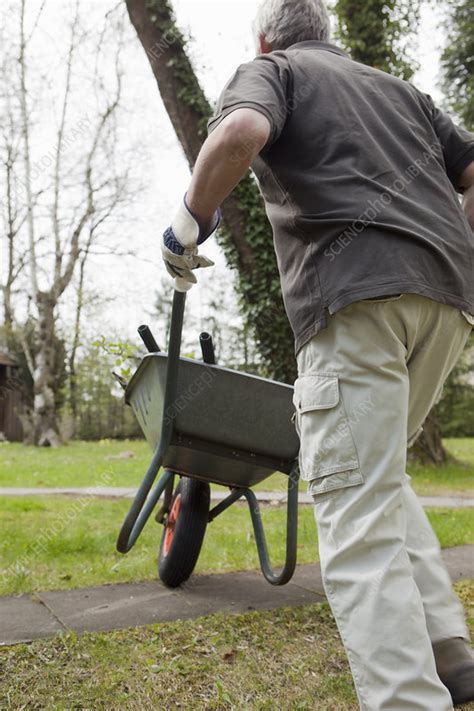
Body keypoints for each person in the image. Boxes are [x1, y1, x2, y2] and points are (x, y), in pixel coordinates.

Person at [161, 0, 474, 707]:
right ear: (327, 33)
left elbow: (240, 129)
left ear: (269, 37)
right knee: (378, 478)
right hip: (449, 305)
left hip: (356, 301)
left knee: (354, 515)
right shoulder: (402, 92)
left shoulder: (274, 70)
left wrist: (187, 225)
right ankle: (448, 653)